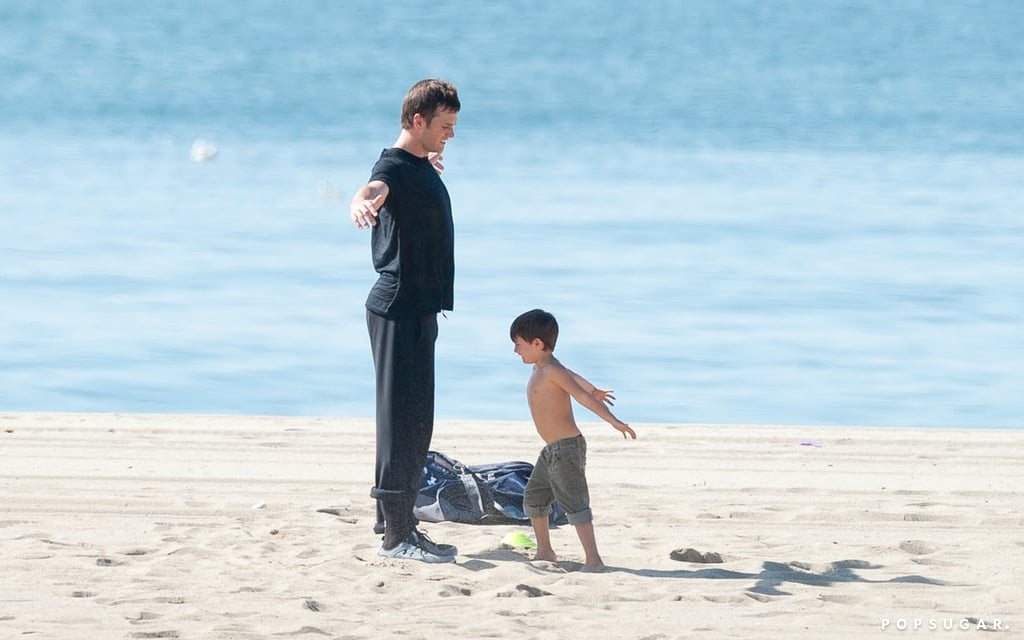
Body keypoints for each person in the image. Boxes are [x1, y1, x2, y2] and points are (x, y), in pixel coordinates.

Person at [349, 79, 460, 564]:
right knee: (403, 421)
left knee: (415, 419)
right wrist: (361, 201)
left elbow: (406, 185)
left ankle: (395, 523)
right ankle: (397, 537)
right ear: (418, 121)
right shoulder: (393, 164)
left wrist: (425, 171)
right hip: (398, 307)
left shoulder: (417, 165)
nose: (450, 134)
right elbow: (375, 185)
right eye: (444, 126)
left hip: (417, 308)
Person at [509, 309, 637, 572]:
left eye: (518, 345)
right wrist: (594, 388)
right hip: (551, 450)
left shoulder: (552, 370)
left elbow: (580, 396)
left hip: (566, 448)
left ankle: (594, 560)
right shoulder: (543, 366)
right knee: (534, 498)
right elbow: (576, 378)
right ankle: (545, 550)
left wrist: (612, 420)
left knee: (575, 504)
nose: (515, 351)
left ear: (537, 343)